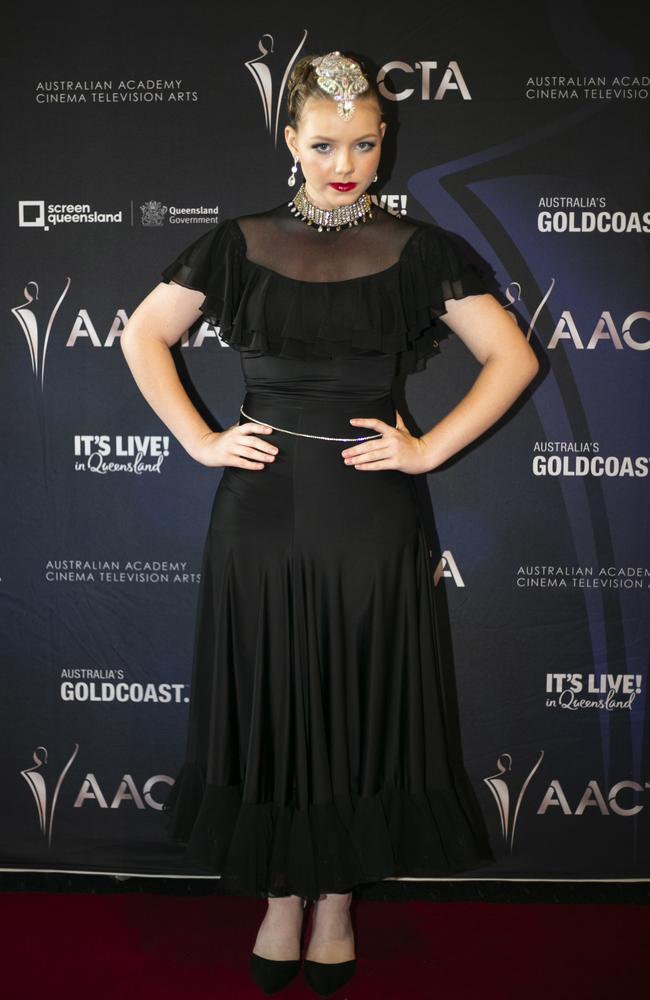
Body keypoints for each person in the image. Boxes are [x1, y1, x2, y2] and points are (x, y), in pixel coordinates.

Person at [121, 50, 538, 998]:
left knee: (359, 699)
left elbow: (511, 359)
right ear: (291, 141)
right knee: (270, 694)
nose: (342, 162)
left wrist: (427, 451)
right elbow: (143, 333)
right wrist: (198, 438)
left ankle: (338, 900)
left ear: (383, 141)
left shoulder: (421, 249)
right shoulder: (234, 243)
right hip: (259, 509)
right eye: (322, 143)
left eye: (361, 144)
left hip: (371, 512)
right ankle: (279, 893)